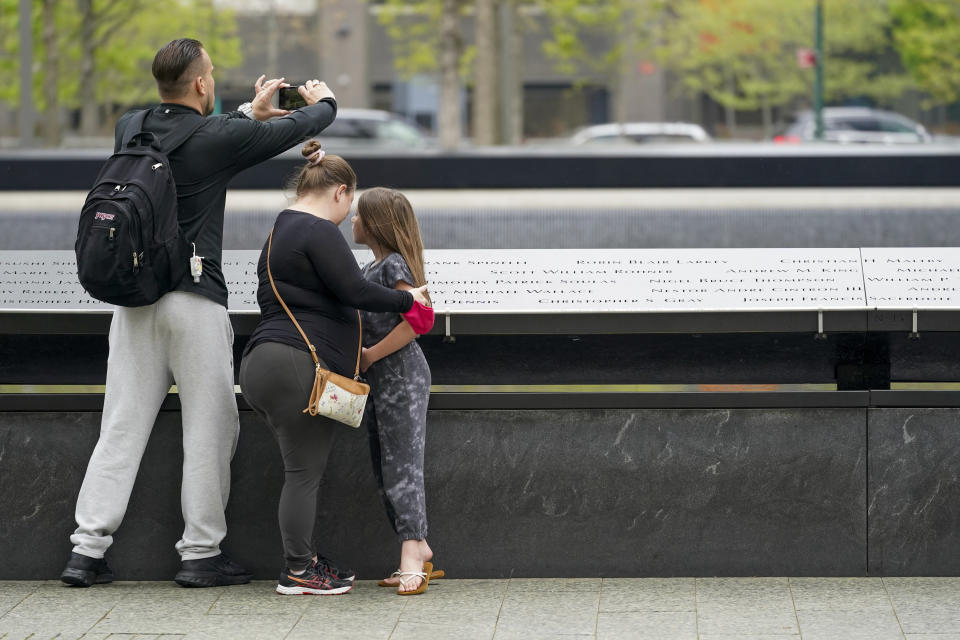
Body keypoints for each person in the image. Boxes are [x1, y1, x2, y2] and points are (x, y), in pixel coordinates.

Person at [61, 37, 340, 589]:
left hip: (133, 302)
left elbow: (191, 136)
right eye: (210, 73)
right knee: (210, 425)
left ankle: (86, 552)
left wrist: (244, 113)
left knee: (121, 424)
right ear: (203, 84)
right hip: (194, 301)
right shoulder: (220, 138)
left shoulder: (130, 127)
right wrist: (322, 100)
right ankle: (200, 553)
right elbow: (304, 125)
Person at [238, 141, 430, 596]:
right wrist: (408, 301)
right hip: (297, 366)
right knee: (303, 474)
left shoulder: (277, 232)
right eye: (351, 206)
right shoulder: (318, 229)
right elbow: (354, 292)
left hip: (260, 363)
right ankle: (300, 570)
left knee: (303, 470)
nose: (350, 220)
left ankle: (309, 559)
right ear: (340, 192)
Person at [352, 188, 439, 595]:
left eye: (358, 217)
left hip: (399, 376)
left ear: (375, 225)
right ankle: (417, 546)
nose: (352, 222)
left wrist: (370, 355)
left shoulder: (392, 267)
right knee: (387, 467)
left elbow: (420, 319)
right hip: (383, 380)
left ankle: (410, 553)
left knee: (403, 467)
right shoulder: (375, 268)